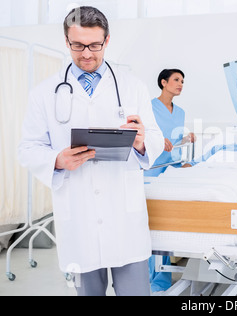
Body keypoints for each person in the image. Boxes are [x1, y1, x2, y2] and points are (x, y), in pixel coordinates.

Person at [17, 6, 164, 296]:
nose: (86, 53)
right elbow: (28, 148)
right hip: (79, 217)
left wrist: (141, 141)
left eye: (95, 45)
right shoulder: (44, 94)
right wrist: (56, 160)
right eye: (78, 45)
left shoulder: (132, 87)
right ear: (66, 41)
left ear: (107, 40)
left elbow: (156, 138)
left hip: (124, 217)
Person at [144, 69, 195, 294]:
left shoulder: (181, 112)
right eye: (176, 80)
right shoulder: (148, 107)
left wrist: (184, 142)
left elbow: (173, 147)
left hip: (166, 174)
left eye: (182, 81)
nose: (180, 84)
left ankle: (161, 281)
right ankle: (145, 280)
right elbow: (140, 135)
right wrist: (155, 139)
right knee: (147, 230)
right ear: (163, 82)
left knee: (161, 229)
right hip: (147, 173)